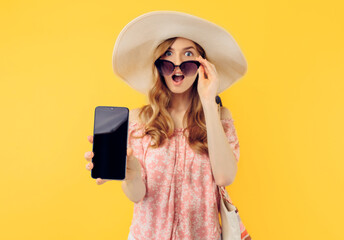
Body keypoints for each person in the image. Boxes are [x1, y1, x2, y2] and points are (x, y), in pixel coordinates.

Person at [84, 11, 247, 240]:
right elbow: (137, 195)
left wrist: (209, 102)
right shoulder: (139, 120)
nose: (177, 64)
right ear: (159, 64)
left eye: (188, 54)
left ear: (202, 65)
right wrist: (132, 174)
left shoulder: (219, 117)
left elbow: (225, 177)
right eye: (168, 54)